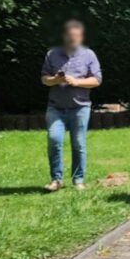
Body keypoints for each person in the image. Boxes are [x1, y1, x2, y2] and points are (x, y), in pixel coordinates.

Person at [41, 19, 102, 191]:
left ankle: (78, 179)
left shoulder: (89, 55)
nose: (72, 41)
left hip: (80, 107)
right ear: (64, 37)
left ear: (81, 37)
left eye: (75, 38)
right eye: (69, 37)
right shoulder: (52, 54)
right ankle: (56, 179)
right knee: (54, 139)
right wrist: (55, 80)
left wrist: (76, 81)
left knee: (78, 143)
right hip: (56, 107)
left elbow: (96, 80)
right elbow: (44, 79)